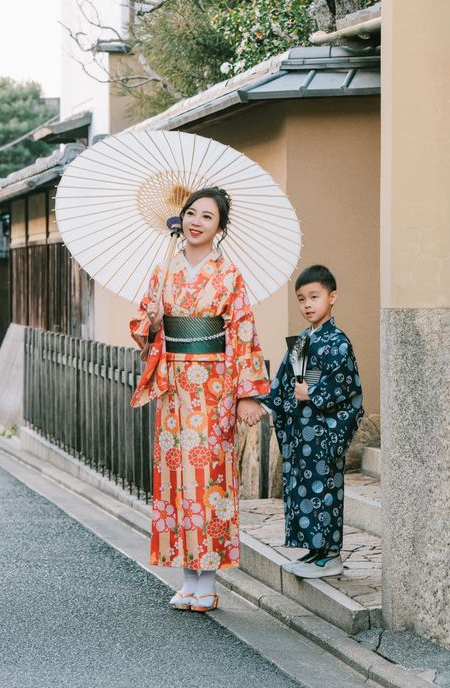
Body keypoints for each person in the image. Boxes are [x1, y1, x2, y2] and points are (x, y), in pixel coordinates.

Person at [130, 186, 269, 612]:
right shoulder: (163, 273)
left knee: (208, 481)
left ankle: (207, 579)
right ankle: (186, 578)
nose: (196, 221)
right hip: (173, 387)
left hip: (213, 387)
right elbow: (143, 327)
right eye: (191, 213)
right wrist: (152, 324)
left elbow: (243, 334)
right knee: (175, 480)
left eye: (207, 217)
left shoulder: (228, 277)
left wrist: (247, 394)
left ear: (220, 228)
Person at [253, 264, 363, 578]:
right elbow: (285, 381)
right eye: (301, 299)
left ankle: (330, 555)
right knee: (303, 489)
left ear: (333, 297)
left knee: (324, 490)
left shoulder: (339, 342)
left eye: (314, 297)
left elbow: (346, 385)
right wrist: (266, 406)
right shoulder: (302, 341)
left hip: (326, 432)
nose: (308, 305)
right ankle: (314, 550)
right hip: (303, 432)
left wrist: (311, 391)